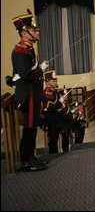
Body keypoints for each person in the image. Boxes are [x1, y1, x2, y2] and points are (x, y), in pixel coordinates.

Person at [11, 9, 49, 171]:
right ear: (24, 33)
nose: (37, 32)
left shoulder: (28, 48)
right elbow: (26, 75)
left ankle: (30, 157)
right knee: (29, 127)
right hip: (29, 95)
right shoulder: (20, 50)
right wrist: (41, 69)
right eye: (34, 30)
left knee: (32, 127)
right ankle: (26, 161)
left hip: (33, 93)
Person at [42, 70, 64, 153]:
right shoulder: (48, 92)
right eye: (53, 81)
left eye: (56, 80)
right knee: (53, 141)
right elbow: (50, 108)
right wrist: (60, 103)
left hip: (56, 118)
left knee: (55, 139)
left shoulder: (53, 91)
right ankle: (53, 157)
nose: (55, 82)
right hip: (51, 119)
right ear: (47, 82)